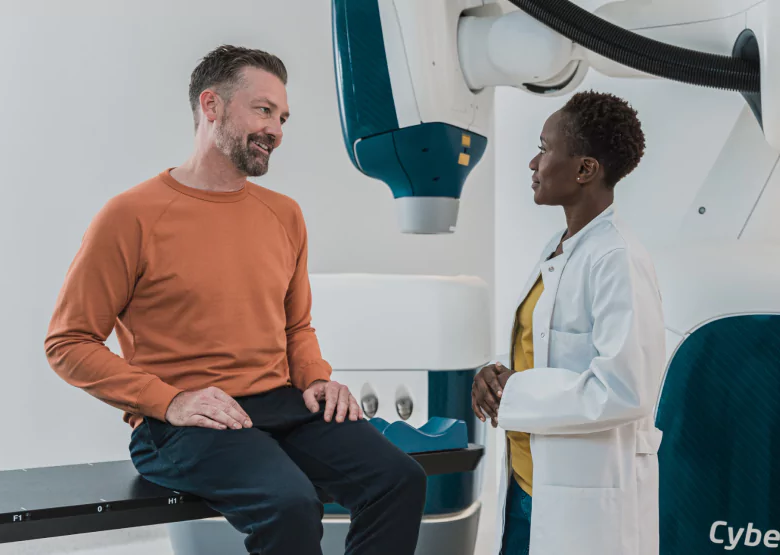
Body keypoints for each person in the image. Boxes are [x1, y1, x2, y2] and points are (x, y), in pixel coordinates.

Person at [44, 45, 426, 555]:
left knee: (399, 479)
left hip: (279, 403)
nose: (277, 130)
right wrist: (171, 401)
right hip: (180, 424)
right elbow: (68, 342)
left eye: (283, 117)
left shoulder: (284, 214)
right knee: (290, 505)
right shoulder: (130, 215)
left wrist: (316, 377)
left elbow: (296, 326)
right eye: (264, 110)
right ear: (211, 106)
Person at [472, 91, 665, 555]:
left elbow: (624, 390)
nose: (534, 162)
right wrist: (494, 373)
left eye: (545, 147)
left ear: (584, 169)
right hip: (528, 482)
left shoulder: (616, 258)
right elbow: (541, 349)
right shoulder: (560, 247)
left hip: (580, 496)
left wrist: (512, 391)